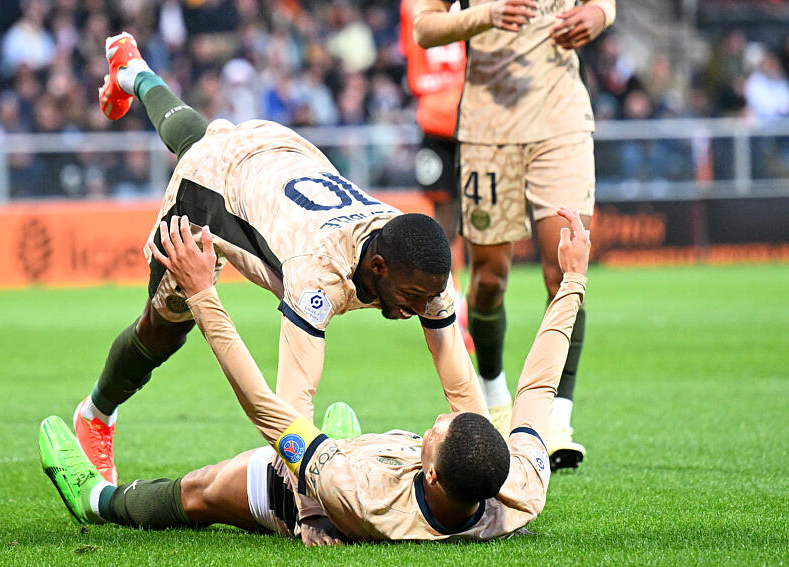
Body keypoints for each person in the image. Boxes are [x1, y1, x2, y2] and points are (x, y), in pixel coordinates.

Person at [73, 33, 487, 502]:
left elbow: (458, 381)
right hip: (213, 191)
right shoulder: (317, 272)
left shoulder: (420, 262)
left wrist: (482, 467)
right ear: (377, 267)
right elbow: (287, 407)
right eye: (411, 299)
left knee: (199, 134)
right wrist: (311, 505)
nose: (418, 310)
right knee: (164, 329)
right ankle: (96, 413)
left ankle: (132, 71)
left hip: (282, 153)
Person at [40, 207, 591, 543]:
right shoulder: (520, 487)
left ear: (432, 478)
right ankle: (341, 439)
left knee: (202, 494)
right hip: (361, 462)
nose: (441, 419)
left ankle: (95, 497)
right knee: (334, 443)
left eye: (439, 432)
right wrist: (571, 281)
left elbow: (266, 408)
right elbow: (538, 387)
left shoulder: (357, 492)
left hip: (324, 487)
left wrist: (205, 294)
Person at [412, 0, 616, 469]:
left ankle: (556, 419)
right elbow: (425, 29)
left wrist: (600, 15)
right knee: (488, 279)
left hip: (562, 124)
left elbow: (602, 3)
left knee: (563, 269)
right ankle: (495, 396)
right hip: (488, 129)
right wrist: (486, 15)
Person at [399, 0, 473, 354]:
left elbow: (412, 53)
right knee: (455, 225)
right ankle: (456, 304)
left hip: (440, 116)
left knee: (449, 225)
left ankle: (457, 306)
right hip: (464, 114)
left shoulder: (410, 5)